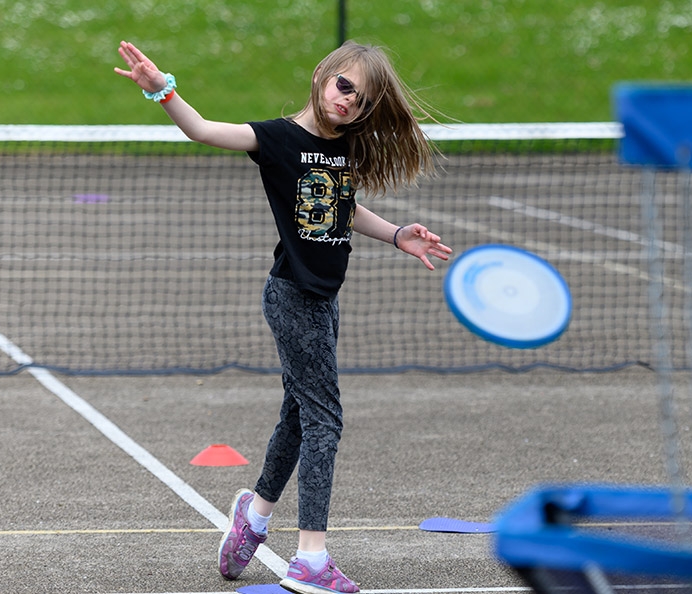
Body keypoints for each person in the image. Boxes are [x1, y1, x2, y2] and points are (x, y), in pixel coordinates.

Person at [115, 40, 451, 594]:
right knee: (326, 421)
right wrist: (162, 88)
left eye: (362, 99)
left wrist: (396, 234)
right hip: (292, 296)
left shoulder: (342, 147)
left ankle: (255, 516)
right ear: (323, 76)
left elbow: (339, 203)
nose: (349, 102)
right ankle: (311, 559)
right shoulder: (276, 138)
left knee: (300, 415)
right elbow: (202, 129)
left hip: (324, 299)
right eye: (344, 85)